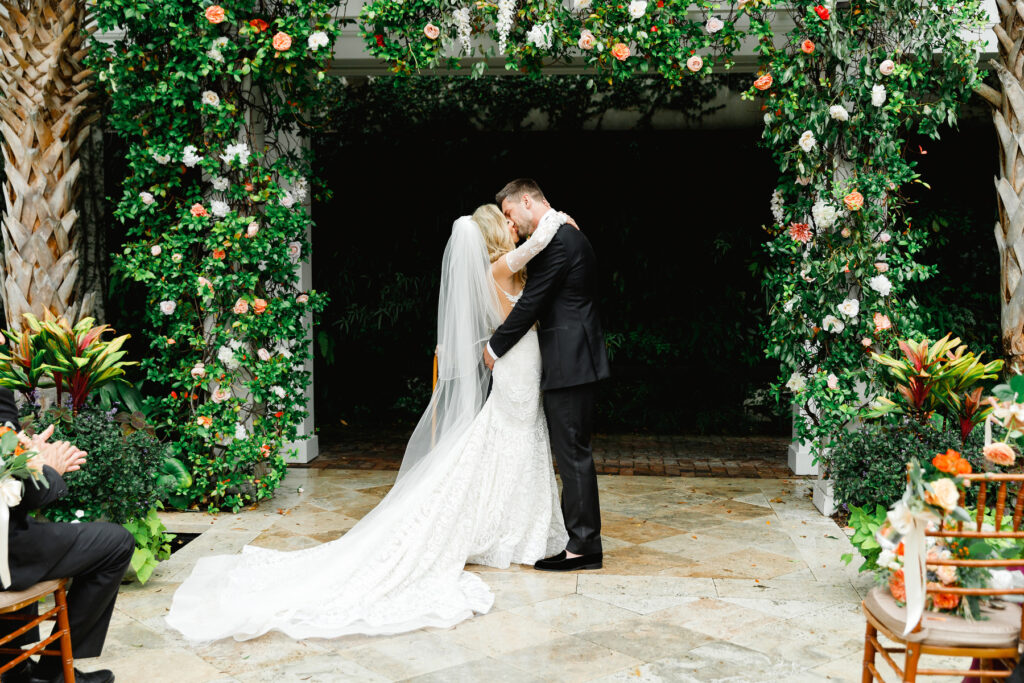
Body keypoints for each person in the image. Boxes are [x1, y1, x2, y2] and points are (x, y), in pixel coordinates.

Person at [166, 203, 572, 642]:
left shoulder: (506, 270)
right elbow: (533, 247)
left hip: (522, 364)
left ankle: (512, 526)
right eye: (508, 222)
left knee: (514, 439)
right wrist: (553, 219)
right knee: (509, 438)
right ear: (498, 232)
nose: (515, 228)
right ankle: (509, 530)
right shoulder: (498, 268)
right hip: (515, 370)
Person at [485, 178, 611, 572]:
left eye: (509, 213)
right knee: (573, 452)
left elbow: (532, 302)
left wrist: (494, 348)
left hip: (570, 362)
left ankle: (584, 547)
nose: (511, 223)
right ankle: (582, 541)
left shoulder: (560, 240)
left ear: (526, 200)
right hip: (572, 359)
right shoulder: (560, 235)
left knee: (572, 455)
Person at [0, 387, 133, 683]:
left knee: (29, 530)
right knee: (116, 543)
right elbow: (20, 494)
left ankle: (13, 666)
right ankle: (54, 672)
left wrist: (25, 453)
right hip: (3, 557)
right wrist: (46, 468)